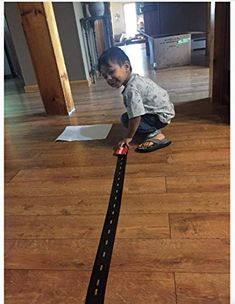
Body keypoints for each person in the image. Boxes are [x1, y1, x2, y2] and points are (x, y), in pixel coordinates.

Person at [98, 47, 175, 153]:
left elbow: (135, 116)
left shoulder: (131, 90)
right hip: (165, 111)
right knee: (128, 116)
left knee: (126, 119)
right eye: (105, 76)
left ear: (126, 67)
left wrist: (128, 137)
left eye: (111, 72)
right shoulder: (136, 79)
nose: (109, 78)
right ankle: (147, 129)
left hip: (160, 117)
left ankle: (156, 135)